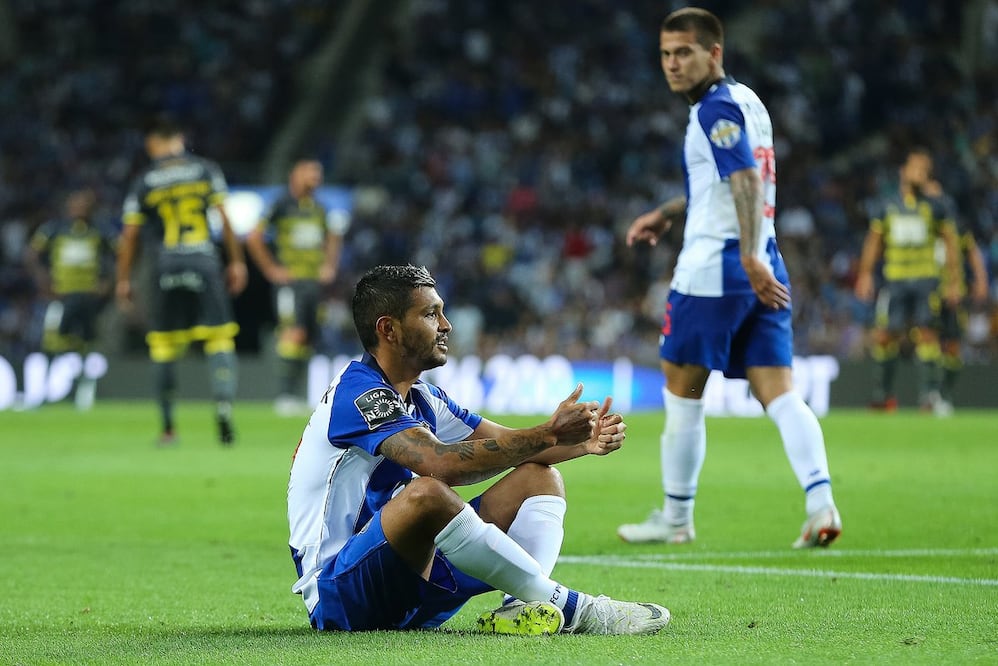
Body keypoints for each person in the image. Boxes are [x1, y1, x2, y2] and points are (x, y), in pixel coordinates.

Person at [287, 264, 670, 635]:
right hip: (342, 595)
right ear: (389, 329)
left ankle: (521, 606)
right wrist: (549, 433)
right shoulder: (359, 394)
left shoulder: (423, 397)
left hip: (407, 584)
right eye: (430, 314)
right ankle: (574, 609)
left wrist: (582, 443)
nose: (446, 325)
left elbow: (510, 444)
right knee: (427, 493)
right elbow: (439, 464)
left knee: (540, 479)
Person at [617, 7, 841, 548]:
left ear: (713, 53)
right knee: (779, 392)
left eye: (684, 53)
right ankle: (821, 504)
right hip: (762, 257)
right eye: (666, 54)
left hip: (720, 266)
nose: (672, 64)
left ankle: (675, 517)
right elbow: (724, 182)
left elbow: (743, 178)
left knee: (681, 390)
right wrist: (671, 212)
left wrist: (744, 256)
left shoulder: (714, 108)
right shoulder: (748, 101)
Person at [115, 115, 248, 445]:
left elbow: (130, 234)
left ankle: (168, 427)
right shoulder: (205, 169)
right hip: (203, 260)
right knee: (218, 339)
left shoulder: (146, 179)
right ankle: (223, 407)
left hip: (165, 265)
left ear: (155, 142)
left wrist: (123, 278)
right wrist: (236, 262)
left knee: (163, 346)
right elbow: (225, 219)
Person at [854, 149, 961, 413]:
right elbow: (874, 241)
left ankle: (930, 395)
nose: (920, 174)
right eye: (916, 168)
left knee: (927, 334)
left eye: (925, 170)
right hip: (895, 280)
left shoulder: (937, 205)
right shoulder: (887, 205)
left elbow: (950, 242)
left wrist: (954, 280)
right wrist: (865, 274)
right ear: (904, 172)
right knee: (884, 335)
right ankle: (883, 396)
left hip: (926, 279)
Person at [245, 158, 348, 415]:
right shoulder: (280, 205)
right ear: (295, 174)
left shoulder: (320, 208)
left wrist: (329, 266)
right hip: (290, 282)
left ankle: (298, 394)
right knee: (293, 333)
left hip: (313, 284)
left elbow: (334, 236)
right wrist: (271, 269)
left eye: (318, 173)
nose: (315, 177)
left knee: (310, 338)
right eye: (310, 172)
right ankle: (285, 395)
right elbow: (254, 237)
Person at [24, 188, 116, 410]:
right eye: (77, 203)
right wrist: (44, 282)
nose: (80, 208)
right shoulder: (54, 229)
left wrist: (108, 282)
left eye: (85, 204)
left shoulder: (100, 230)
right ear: (68, 206)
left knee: (86, 345)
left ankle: (84, 394)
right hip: (61, 296)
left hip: (88, 297)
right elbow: (31, 256)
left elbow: (123, 253)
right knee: (52, 342)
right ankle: (43, 392)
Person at [925, 181, 990, 415]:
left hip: (953, 294)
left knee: (952, 346)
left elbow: (973, 254)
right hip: (928, 292)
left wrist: (981, 280)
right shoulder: (921, 224)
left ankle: (944, 392)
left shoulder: (957, 227)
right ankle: (929, 393)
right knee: (928, 340)